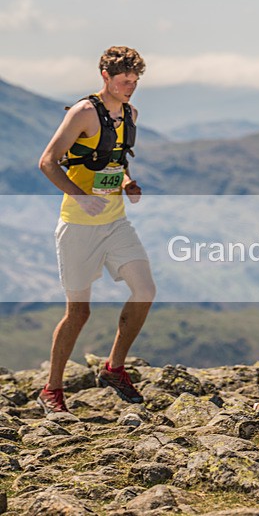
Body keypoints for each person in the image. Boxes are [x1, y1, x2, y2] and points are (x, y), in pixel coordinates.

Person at [36, 46, 156, 414]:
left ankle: (114, 368)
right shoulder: (83, 112)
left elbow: (113, 163)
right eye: (124, 81)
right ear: (105, 76)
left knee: (145, 290)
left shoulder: (130, 114)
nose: (130, 88)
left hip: (115, 222)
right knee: (79, 312)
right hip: (78, 225)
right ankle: (51, 390)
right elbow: (48, 162)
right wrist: (80, 196)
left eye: (135, 81)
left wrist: (127, 184)